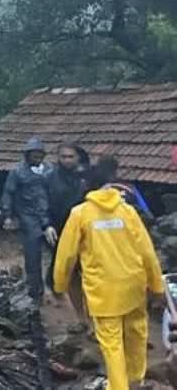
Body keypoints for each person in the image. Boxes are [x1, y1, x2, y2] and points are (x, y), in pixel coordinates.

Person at [53, 154, 164, 390]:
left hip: (104, 292)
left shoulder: (80, 214)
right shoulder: (127, 211)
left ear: (88, 188)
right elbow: (147, 252)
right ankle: (135, 381)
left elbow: (66, 256)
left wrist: (60, 285)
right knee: (136, 334)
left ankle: (119, 387)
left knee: (112, 344)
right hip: (133, 285)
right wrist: (156, 285)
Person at [1, 136, 52, 301]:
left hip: (49, 218)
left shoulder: (50, 170)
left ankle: (54, 285)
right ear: (27, 155)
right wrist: (8, 215)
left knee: (59, 254)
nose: (37, 158)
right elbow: (8, 193)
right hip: (28, 218)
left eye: (39, 155)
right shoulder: (17, 172)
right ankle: (35, 292)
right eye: (33, 155)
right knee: (33, 256)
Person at [45, 143, 89, 318]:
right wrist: (46, 224)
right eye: (63, 157)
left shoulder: (87, 178)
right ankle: (79, 315)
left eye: (71, 157)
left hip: (86, 230)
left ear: (78, 158)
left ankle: (93, 314)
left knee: (89, 272)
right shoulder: (49, 178)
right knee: (67, 271)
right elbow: (43, 203)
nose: (67, 160)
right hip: (59, 229)